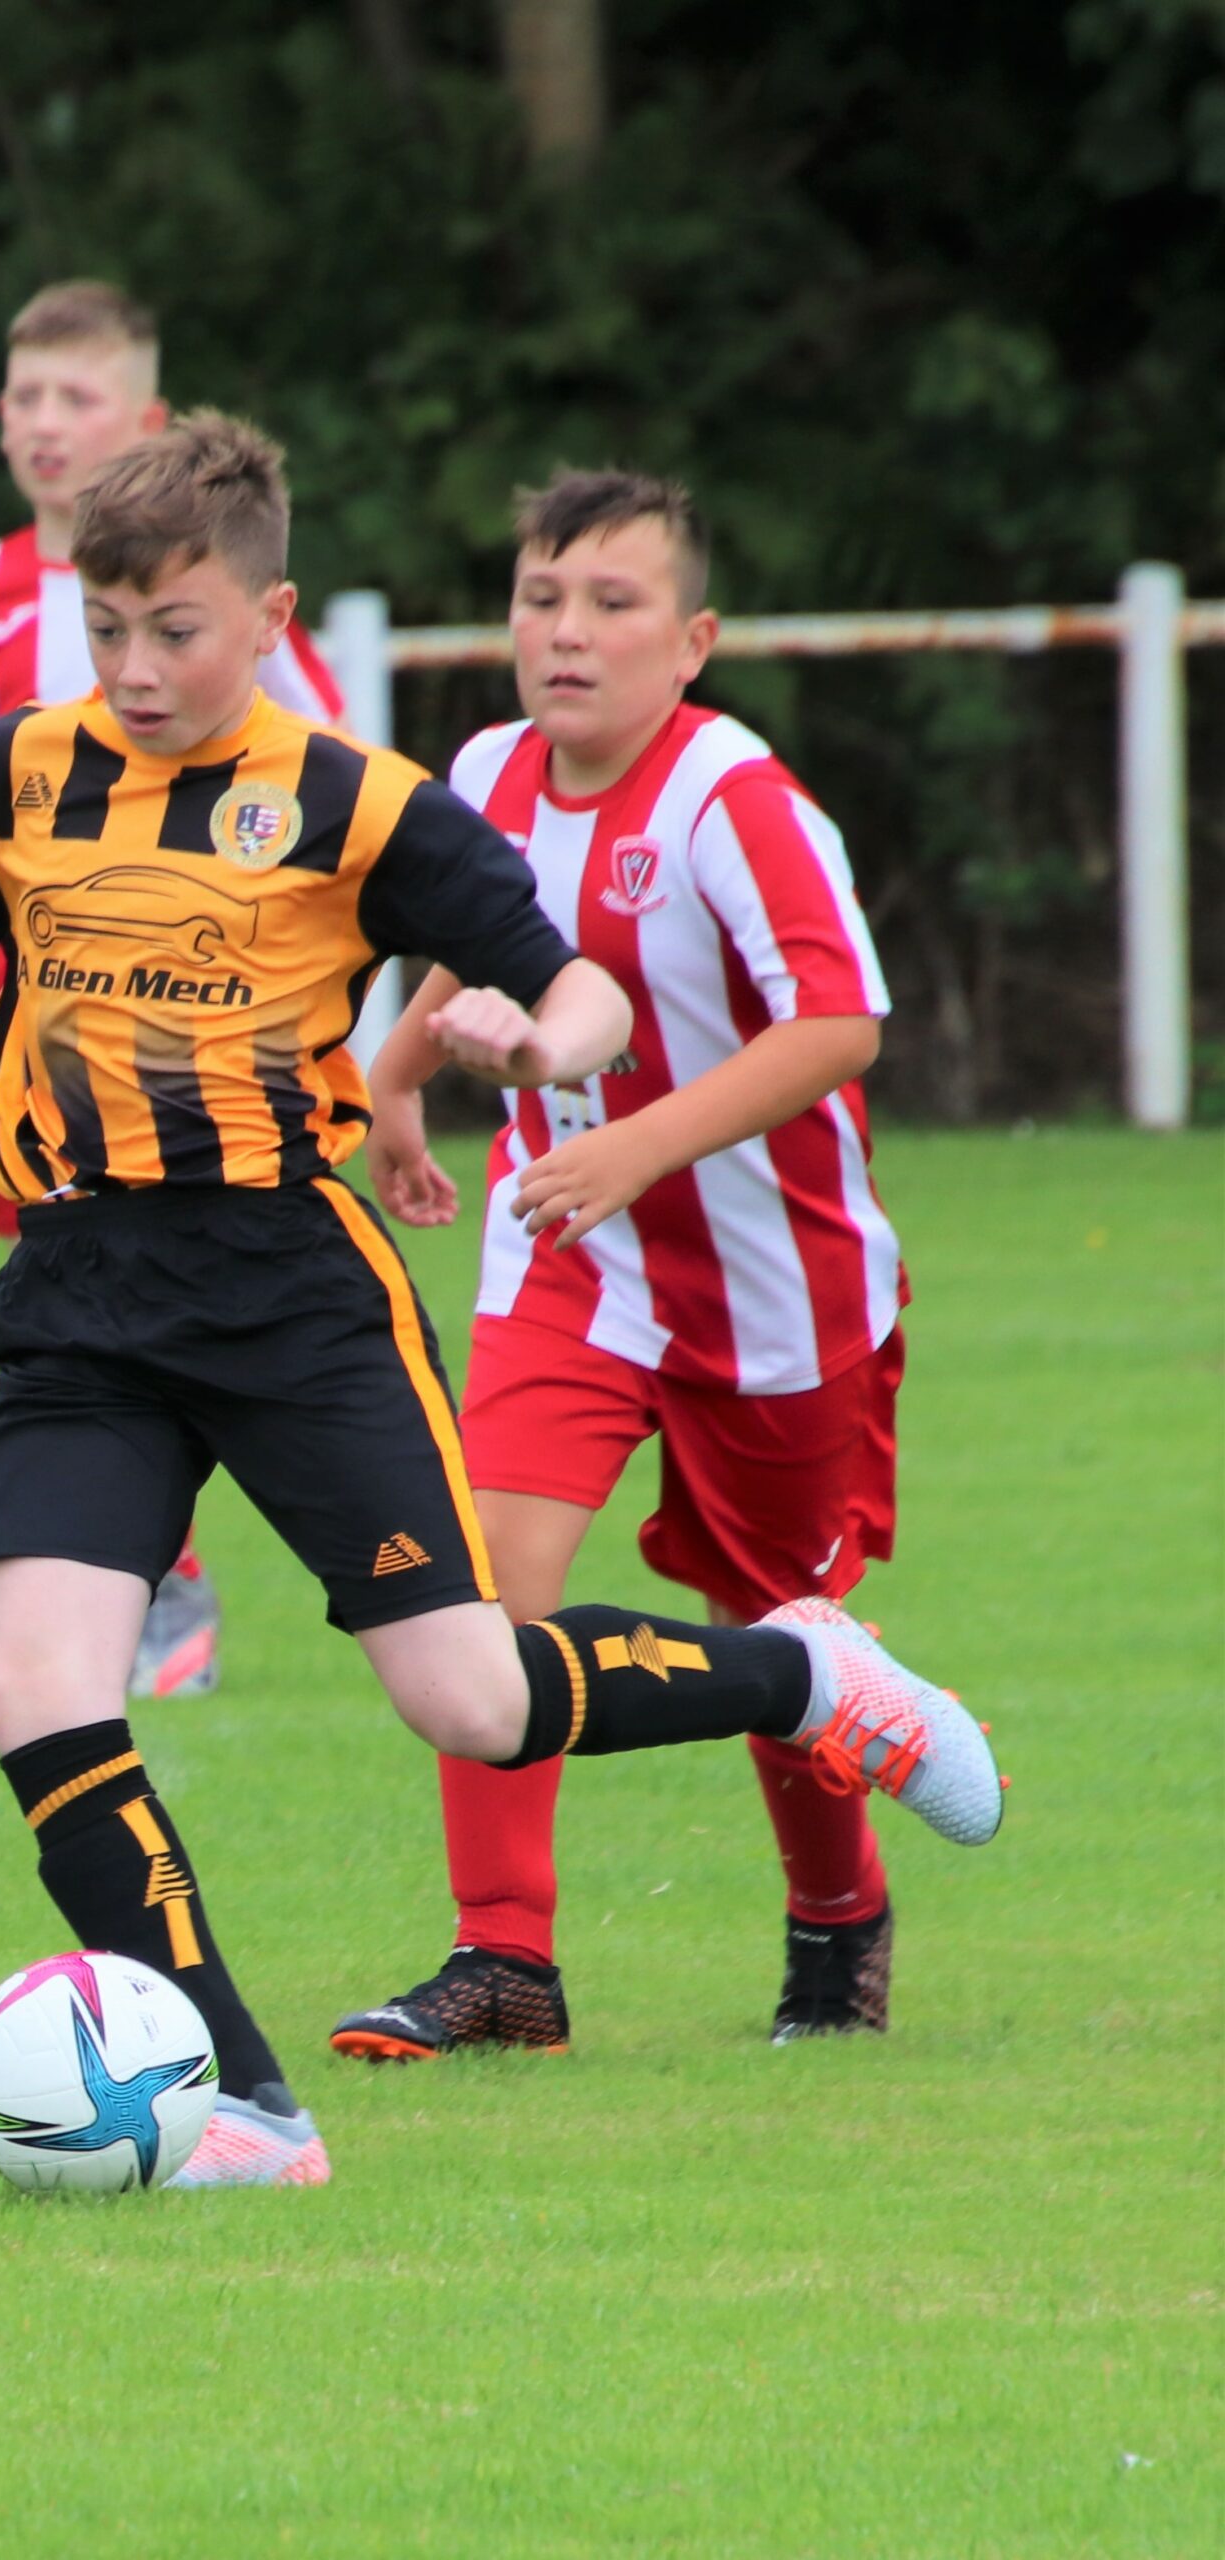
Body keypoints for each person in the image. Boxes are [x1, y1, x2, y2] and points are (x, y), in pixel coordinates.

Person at [0, 416, 1003, 2190]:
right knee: (36, 1688)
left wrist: (532, 1041)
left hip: (292, 1289)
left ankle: (800, 1672)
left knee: (467, 1696)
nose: (139, 673)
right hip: (81, 1291)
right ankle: (247, 2104)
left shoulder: (356, 800)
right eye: (110, 631)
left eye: (180, 631)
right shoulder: (23, 775)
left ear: (268, 614)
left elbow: (582, 986)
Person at [331, 468, 921, 2065]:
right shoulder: (486, 771)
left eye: (613, 603)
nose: (568, 635)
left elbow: (840, 1025)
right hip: (567, 1269)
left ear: (695, 639)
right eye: (541, 600)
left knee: (784, 1632)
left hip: (774, 1297)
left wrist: (638, 1147)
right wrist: (390, 1090)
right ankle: (504, 1960)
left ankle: (836, 1921)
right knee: (482, 1593)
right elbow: (474, 934)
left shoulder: (737, 801)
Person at [0, 280, 344, 1703]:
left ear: (145, 419)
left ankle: (166, 1577)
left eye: (77, 399)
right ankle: (135, 1567)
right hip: (21, 1007)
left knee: (172, 1262)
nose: (47, 427)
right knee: (66, 1280)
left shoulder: (217, 601)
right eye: (25, 398)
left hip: (197, 1006)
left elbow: (329, 795)